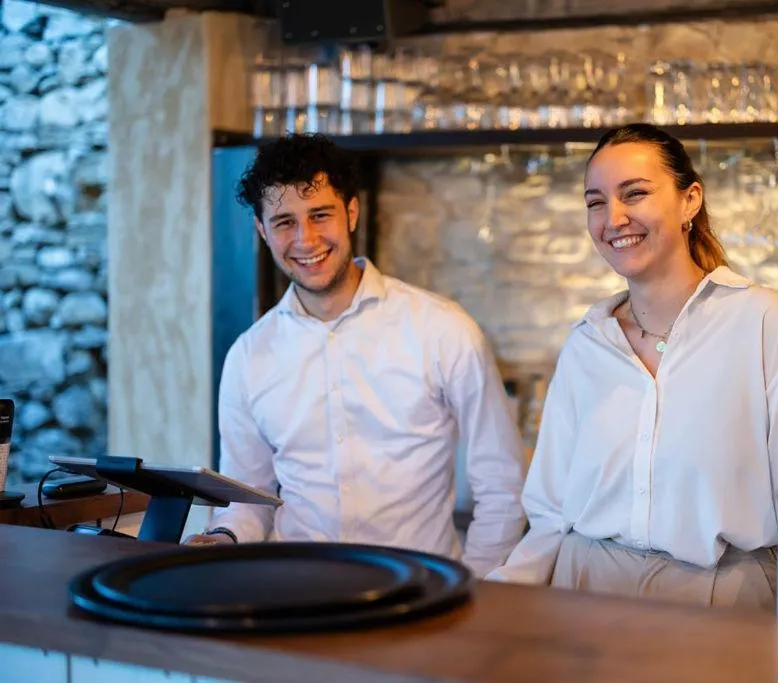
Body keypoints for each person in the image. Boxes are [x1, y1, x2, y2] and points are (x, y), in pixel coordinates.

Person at [487, 123, 778, 609]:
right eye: (595, 202)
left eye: (635, 194)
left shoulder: (764, 323)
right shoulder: (587, 343)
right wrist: (495, 601)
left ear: (690, 200)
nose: (614, 218)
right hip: (583, 590)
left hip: (723, 598)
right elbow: (549, 514)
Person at [185, 133, 526, 578]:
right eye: (285, 221)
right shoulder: (249, 356)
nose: (305, 239)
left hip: (419, 600)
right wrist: (223, 537)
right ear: (261, 229)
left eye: (320, 215)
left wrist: (477, 586)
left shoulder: (442, 329)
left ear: (351, 212)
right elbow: (247, 500)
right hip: (296, 598)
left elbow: (503, 486)